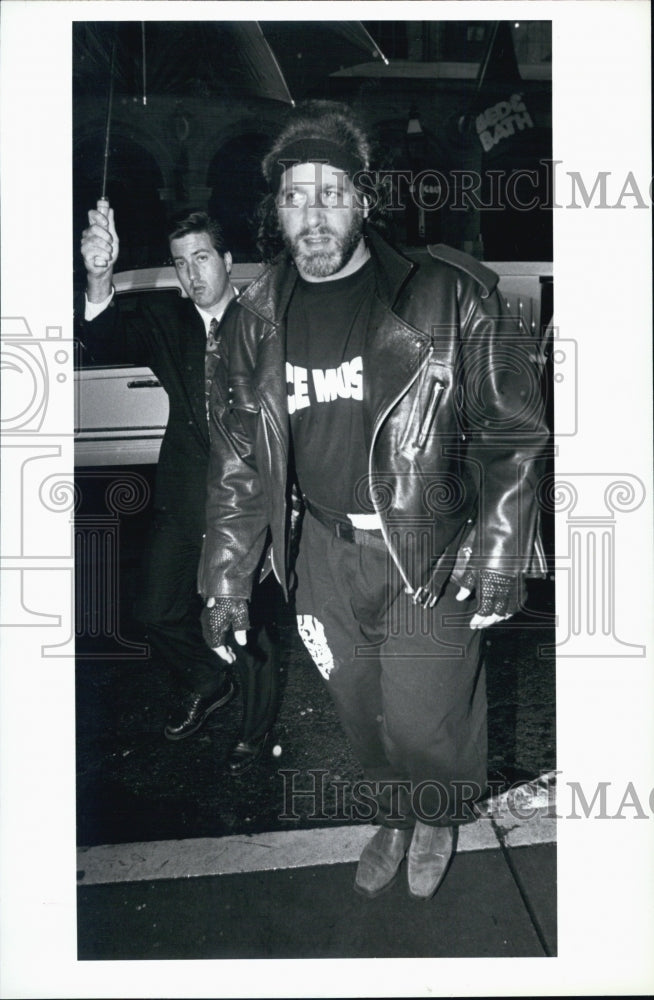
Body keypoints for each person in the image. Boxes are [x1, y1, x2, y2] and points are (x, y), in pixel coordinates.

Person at [198, 101, 548, 898]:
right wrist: (222, 579)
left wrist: (499, 552)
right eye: (295, 195)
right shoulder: (255, 320)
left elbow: (514, 430)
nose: (313, 212)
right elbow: (238, 462)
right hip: (320, 554)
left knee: (429, 718)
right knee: (359, 713)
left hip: (425, 549)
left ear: (362, 199)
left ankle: (437, 815)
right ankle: (394, 812)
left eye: (330, 192)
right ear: (276, 212)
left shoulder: (448, 296)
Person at [78, 205, 280, 770]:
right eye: (180, 263)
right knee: (153, 612)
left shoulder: (266, 327)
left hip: (248, 508)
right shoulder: (167, 322)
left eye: (201, 258)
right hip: (182, 499)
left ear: (228, 262)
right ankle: (208, 678)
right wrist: (99, 275)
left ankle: (254, 731)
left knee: (247, 630)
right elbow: (102, 334)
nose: (192, 274)